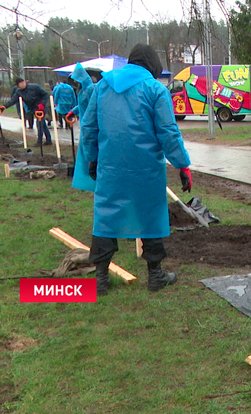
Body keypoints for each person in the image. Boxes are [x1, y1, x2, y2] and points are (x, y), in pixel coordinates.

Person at [80, 44, 193, 296]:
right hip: (146, 169)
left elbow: (89, 128)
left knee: (106, 217)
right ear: (152, 65)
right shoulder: (155, 90)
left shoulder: (102, 88)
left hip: (111, 167)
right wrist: (182, 164)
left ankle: (100, 279)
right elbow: (168, 133)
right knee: (150, 215)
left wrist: (92, 159)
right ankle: (156, 275)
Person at [67, 65, 100, 192]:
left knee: (90, 150)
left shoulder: (92, 89)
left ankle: (92, 178)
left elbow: (93, 106)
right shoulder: (82, 91)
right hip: (85, 123)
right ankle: (87, 178)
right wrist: (73, 111)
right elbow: (81, 105)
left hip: (91, 124)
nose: (75, 82)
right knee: (84, 151)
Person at [0, 77, 51, 144]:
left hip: (41, 107)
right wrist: (4, 106)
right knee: (42, 124)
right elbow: (13, 100)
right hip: (33, 108)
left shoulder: (35, 87)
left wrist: (42, 103)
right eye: (19, 84)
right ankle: (48, 140)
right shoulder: (19, 91)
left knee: (39, 123)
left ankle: (39, 141)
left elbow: (46, 94)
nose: (21, 84)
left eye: (22, 83)